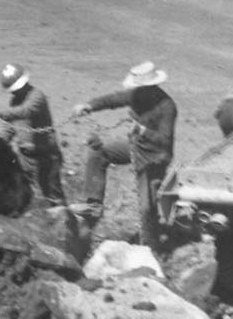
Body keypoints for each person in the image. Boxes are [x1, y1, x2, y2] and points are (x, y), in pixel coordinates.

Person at [72, 61, 177, 250]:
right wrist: (89, 105)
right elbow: (113, 99)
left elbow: (164, 140)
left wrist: (143, 131)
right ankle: (93, 205)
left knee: (146, 208)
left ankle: (151, 248)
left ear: (152, 87)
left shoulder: (167, 106)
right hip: (136, 146)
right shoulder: (137, 94)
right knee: (99, 152)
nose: (138, 91)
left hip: (155, 157)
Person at [0, 63, 66, 204]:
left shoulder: (37, 96)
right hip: (26, 157)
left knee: (52, 194)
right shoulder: (14, 101)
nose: (14, 92)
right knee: (24, 193)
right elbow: (9, 126)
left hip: (46, 156)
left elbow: (25, 111)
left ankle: (60, 214)